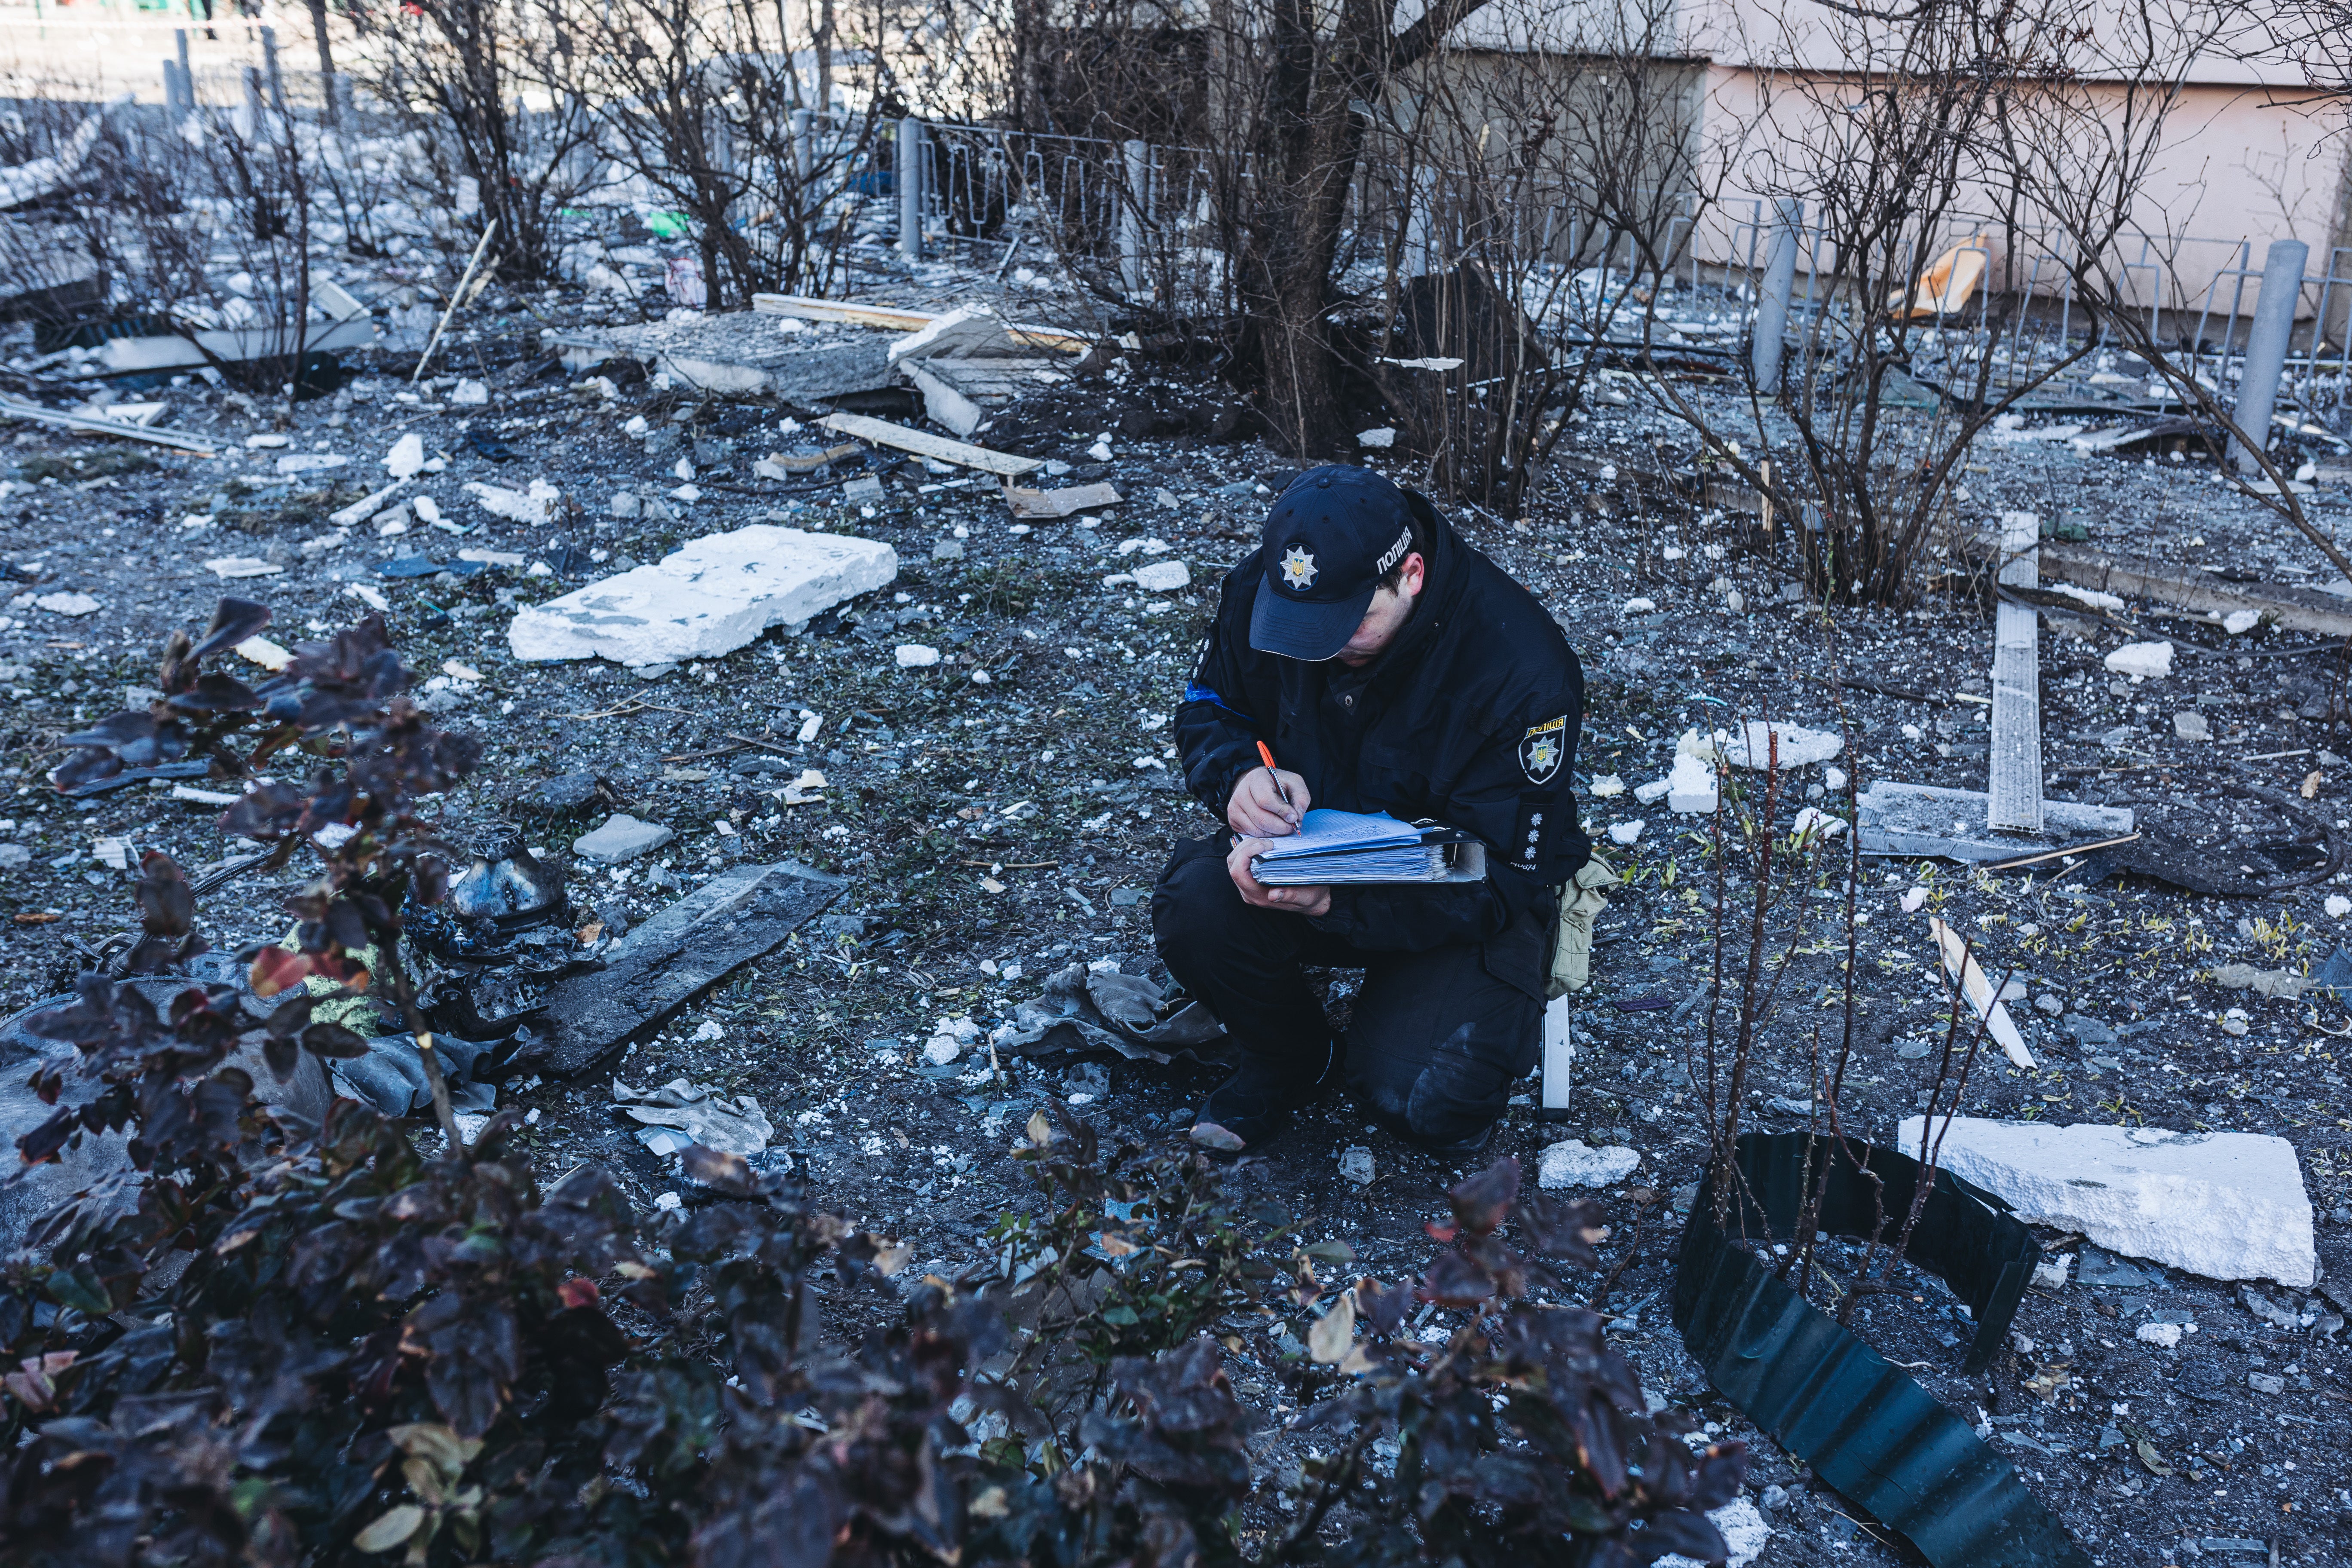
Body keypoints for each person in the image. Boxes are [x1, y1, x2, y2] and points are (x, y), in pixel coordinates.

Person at [1152, 465, 1588, 1156]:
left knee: (1426, 1101)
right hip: (1309, 855)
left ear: (1411, 574)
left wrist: (1336, 906)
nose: (1319, 647)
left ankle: (1423, 1015)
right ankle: (1293, 1055)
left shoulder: (1520, 668)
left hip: (1456, 899)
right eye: (1300, 627)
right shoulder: (1272, 587)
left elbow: (1503, 874)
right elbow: (1209, 707)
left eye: (1346, 624)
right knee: (1193, 906)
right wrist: (1238, 776)